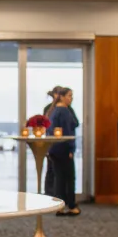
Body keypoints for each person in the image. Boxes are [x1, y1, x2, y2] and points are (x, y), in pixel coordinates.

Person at [48, 87, 80, 216]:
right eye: (69, 95)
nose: (71, 98)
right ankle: (71, 205)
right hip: (64, 149)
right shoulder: (64, 112)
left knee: (59, 179)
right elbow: (68, 132)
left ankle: (59, 206)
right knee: (69, 178)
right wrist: (71, 149)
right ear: (62, 97)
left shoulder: (54, 111)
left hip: (55, 149)